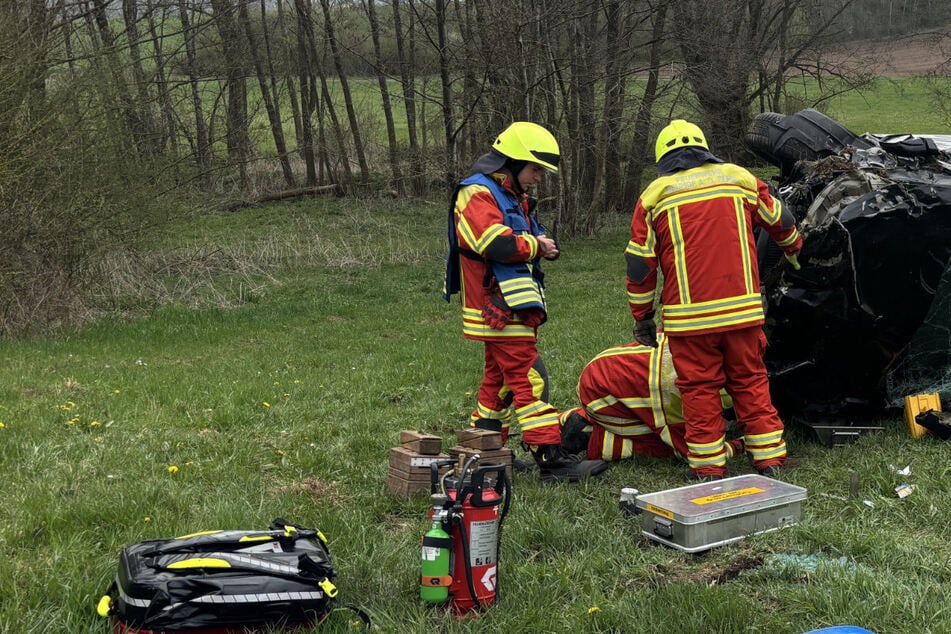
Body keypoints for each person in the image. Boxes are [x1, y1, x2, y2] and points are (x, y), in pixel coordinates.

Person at [624, 119, 803, 482]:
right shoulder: (739, 178)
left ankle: (708, 467)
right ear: (705, 149)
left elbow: (640, 267)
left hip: (689, 321)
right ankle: (769, 458)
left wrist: (642, 316)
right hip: (742, 312)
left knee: (699, 390)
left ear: (663, 158)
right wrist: (794, 251)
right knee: (750, 380)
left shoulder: (654, 196)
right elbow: (781, 220)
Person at [443, 121, 607, 483]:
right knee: (531, 377)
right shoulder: (477, 193)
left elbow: (525, 235)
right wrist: (536, 246)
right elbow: (493, 243)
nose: (538, 178)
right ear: (513, 162)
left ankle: (485, 455)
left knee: (497, 383)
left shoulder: (510, 194)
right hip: (497, 309)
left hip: (512, 306)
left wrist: (544, 244)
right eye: (535, 169)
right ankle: (551, 458)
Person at [559, 333, 745, 465]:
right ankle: (591, 438)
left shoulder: (719, 342)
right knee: (668, 446)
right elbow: (699, 452)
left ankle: (573, 419)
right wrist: (742, 444)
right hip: (606, 391)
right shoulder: (706, 395)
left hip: (607, 369)